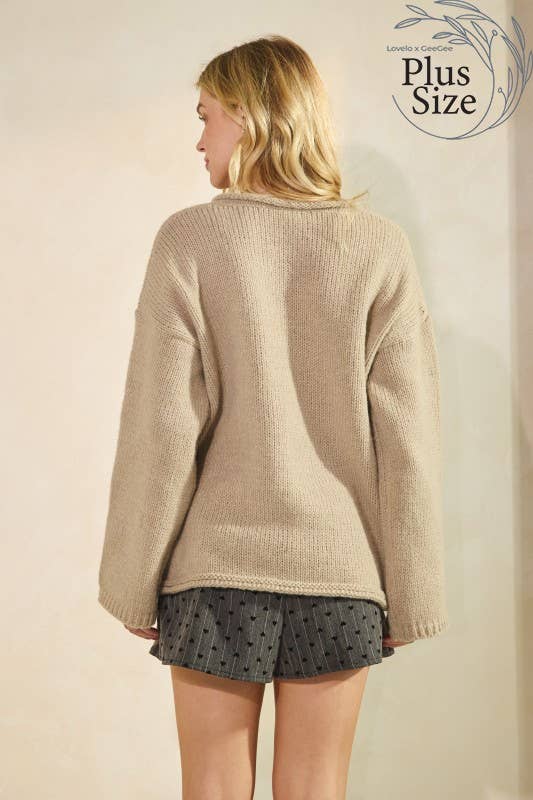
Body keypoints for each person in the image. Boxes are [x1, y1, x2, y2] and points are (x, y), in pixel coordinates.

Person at [97, 34, 449, 800]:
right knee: (316, 788)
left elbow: (162, 429)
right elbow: (407, 441)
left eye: (206, 116)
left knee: (213, 787)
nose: (199, 139)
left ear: (249, 115)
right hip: (340, 580)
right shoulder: (378, 248)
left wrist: (131, 579)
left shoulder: (190, 240)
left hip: (215, 576)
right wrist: (411, 590)